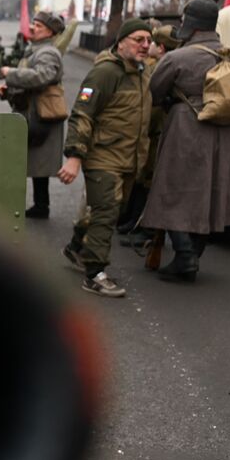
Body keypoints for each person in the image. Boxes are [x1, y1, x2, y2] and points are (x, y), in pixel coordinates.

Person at [141, 0, 230, 281]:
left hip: (187, 128)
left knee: (174, 188)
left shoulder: (177, 58)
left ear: (189, 23)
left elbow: (155, 91)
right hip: (225, 132)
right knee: (212, 190)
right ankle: (192, 252)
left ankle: (185, 255)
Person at [57, 17, 154, 297]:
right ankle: (94, 274)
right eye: (138, 39)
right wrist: (74, 157)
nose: (145, 45)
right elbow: (82, 115)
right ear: (121, 41)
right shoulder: (105, 73)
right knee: (106, 212)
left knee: (108, 210)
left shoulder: (142, 74)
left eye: (148, 41)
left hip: (130, 159)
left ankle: (76, 247)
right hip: (103, 157)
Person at [0, 10, 66, 219]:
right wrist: (8, 90)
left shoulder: (47, 53)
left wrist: (11, 74)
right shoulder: (36, 50)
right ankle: (40, 205)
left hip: (38, 115)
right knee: (35, 162)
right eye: (34, 24)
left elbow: (41, 77)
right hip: (32, 112)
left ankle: (31, 205)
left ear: (50, 32)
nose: (32, 28)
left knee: (25, 160)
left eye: (38, 25)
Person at [118, 22, 178, 247]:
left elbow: (152, 104)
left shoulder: (158, 68)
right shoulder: (154, 65)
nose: (147, 46)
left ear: (161, 47)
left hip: (155, 132)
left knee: (149, 179)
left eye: (150, 42)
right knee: (143, 179)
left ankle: (145, 228)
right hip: (154, 132)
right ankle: (134, 221)